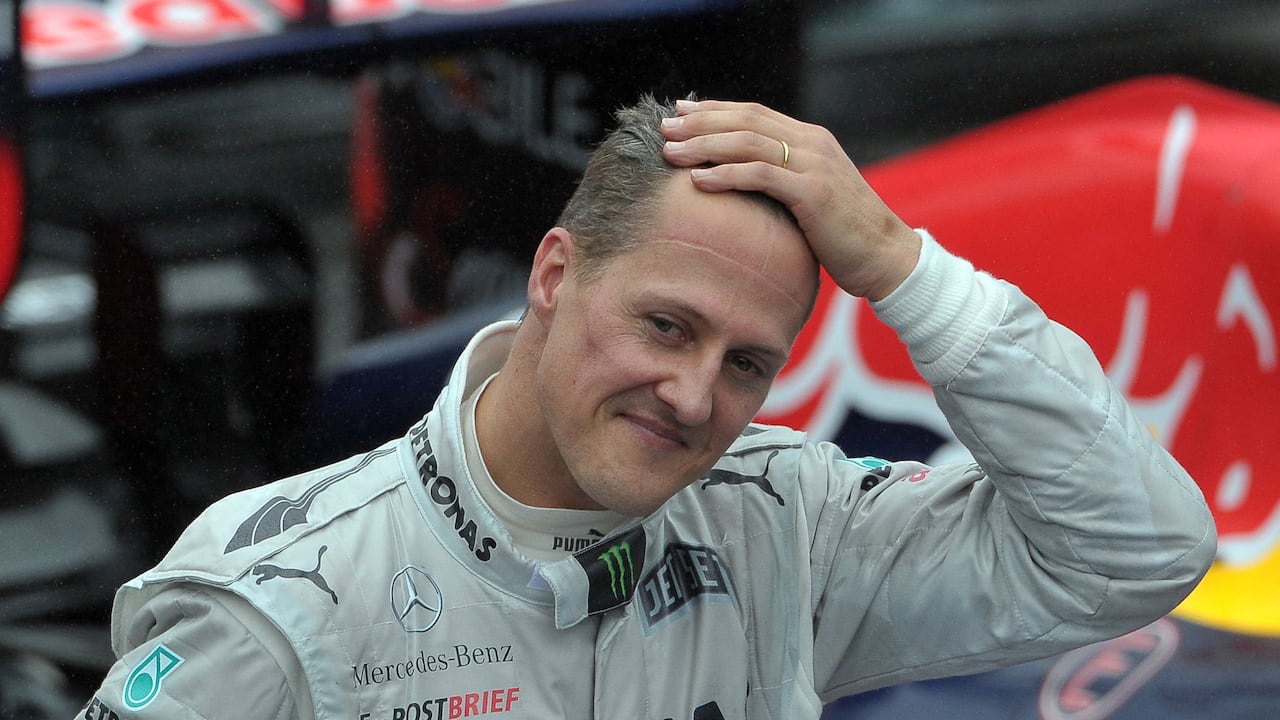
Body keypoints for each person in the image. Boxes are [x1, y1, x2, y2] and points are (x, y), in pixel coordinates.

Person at [79, 96, 1215, 720]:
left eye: (745, 364)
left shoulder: (785, 524)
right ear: (553, 274)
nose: (690, 395)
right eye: (666, 327)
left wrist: (906, 272)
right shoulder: (280, 600)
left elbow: (1133, 551)